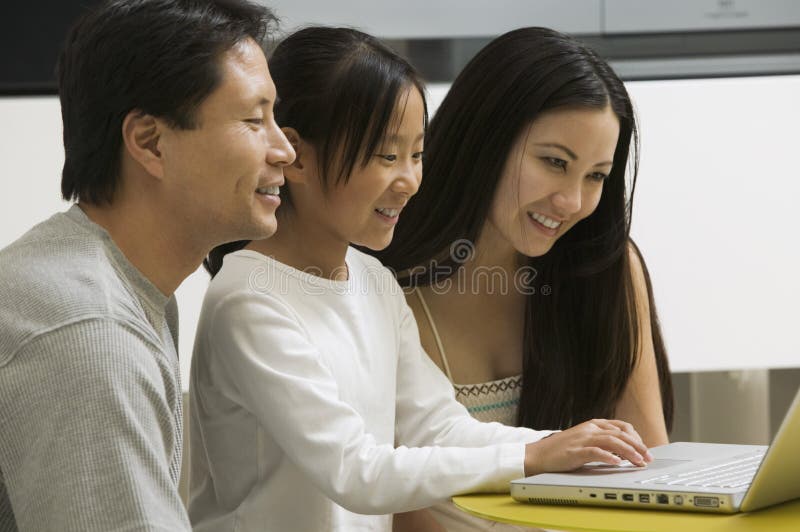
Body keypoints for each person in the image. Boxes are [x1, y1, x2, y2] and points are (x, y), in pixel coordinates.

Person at [189, 26, 652, 532]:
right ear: (298, 157)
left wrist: (559, 446)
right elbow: (356, 471)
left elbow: (438, 428)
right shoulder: (251, 301)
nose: (410, 180)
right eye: (388, 156)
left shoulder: (373, 280)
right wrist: (531, 459)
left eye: (417, 154)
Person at [0, 1, 294, 530]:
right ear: (149, 143)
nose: (283, 150)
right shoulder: (91, 331)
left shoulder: (103, 282)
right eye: (254, 120)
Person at [372, 27, 675, 531]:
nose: (572, 202)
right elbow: (396, 504)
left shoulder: (609, 269)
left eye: (596, 175)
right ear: (484, 140)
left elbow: (654, 468)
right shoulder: (386, 286)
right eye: (554, 162)